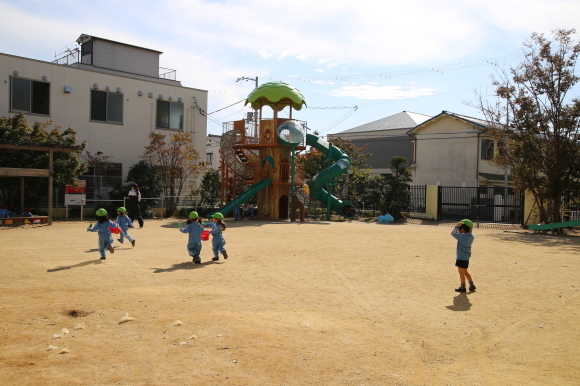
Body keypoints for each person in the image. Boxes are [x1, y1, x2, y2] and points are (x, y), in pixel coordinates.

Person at [451, 219, 476, 292]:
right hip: (466, 257)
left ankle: (462, 287)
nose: (459, 230)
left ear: (463, 229)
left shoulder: (463, 236)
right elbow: (469, 230)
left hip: (460, 257)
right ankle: (472, 285)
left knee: (461, 272)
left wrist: (456, 226)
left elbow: (453, 233)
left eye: (460, 229)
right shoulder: (471, 236)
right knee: (465, 271)